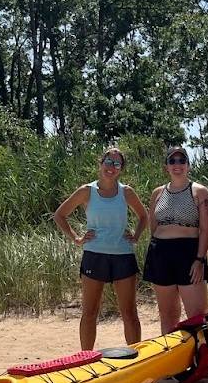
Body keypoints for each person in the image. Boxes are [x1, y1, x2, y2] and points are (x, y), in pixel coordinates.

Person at [54, 146, 149, 350]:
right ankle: (85, 358)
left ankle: (137, 359)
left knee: (130, 313)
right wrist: (77, 238)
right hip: (94, 255)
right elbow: (59, 215)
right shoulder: (86, 191)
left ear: (121, 169)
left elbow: (144, 216)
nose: (111, 167)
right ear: (100, 164)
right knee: (90, 312)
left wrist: (136, 236)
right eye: (108, 162)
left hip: (123, 255)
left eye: (116, 164)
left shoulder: (126, 192)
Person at [144, 145, 208, 335]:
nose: (177, 165)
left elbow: (207, 229)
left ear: (188, 165)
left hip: (189, 254)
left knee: (197, 316)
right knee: (167, 314)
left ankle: (200, 360)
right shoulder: (158, 193)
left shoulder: (199, 191)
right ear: (166, 166)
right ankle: (172, 361)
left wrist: (199, 259)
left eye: (181, 160)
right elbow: (153, 226)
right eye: (172, 161)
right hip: (161, 253)